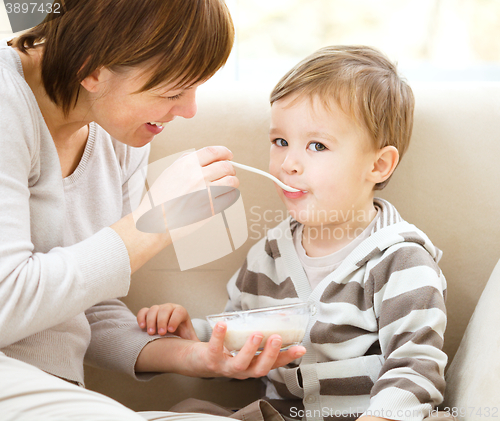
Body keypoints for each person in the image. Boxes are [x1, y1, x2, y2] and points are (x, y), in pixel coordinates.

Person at [0, 1, 306, 420]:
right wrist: (156, 222)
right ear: (91, 68)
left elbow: (86, 303)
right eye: (172, 91)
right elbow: (6, 303)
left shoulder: (117, 132)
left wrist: (200, 358)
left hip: (53, 391)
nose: (189, 110)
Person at [139, 46, 448, 421]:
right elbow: (240, 340)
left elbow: (415, 368)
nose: (289, 164)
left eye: (317, 145)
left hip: (371, 415)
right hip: (282, 415)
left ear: (378, 164)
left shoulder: (400, 261)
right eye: (280, 142)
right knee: (187, 413)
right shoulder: (268, 255)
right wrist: (193, 333)